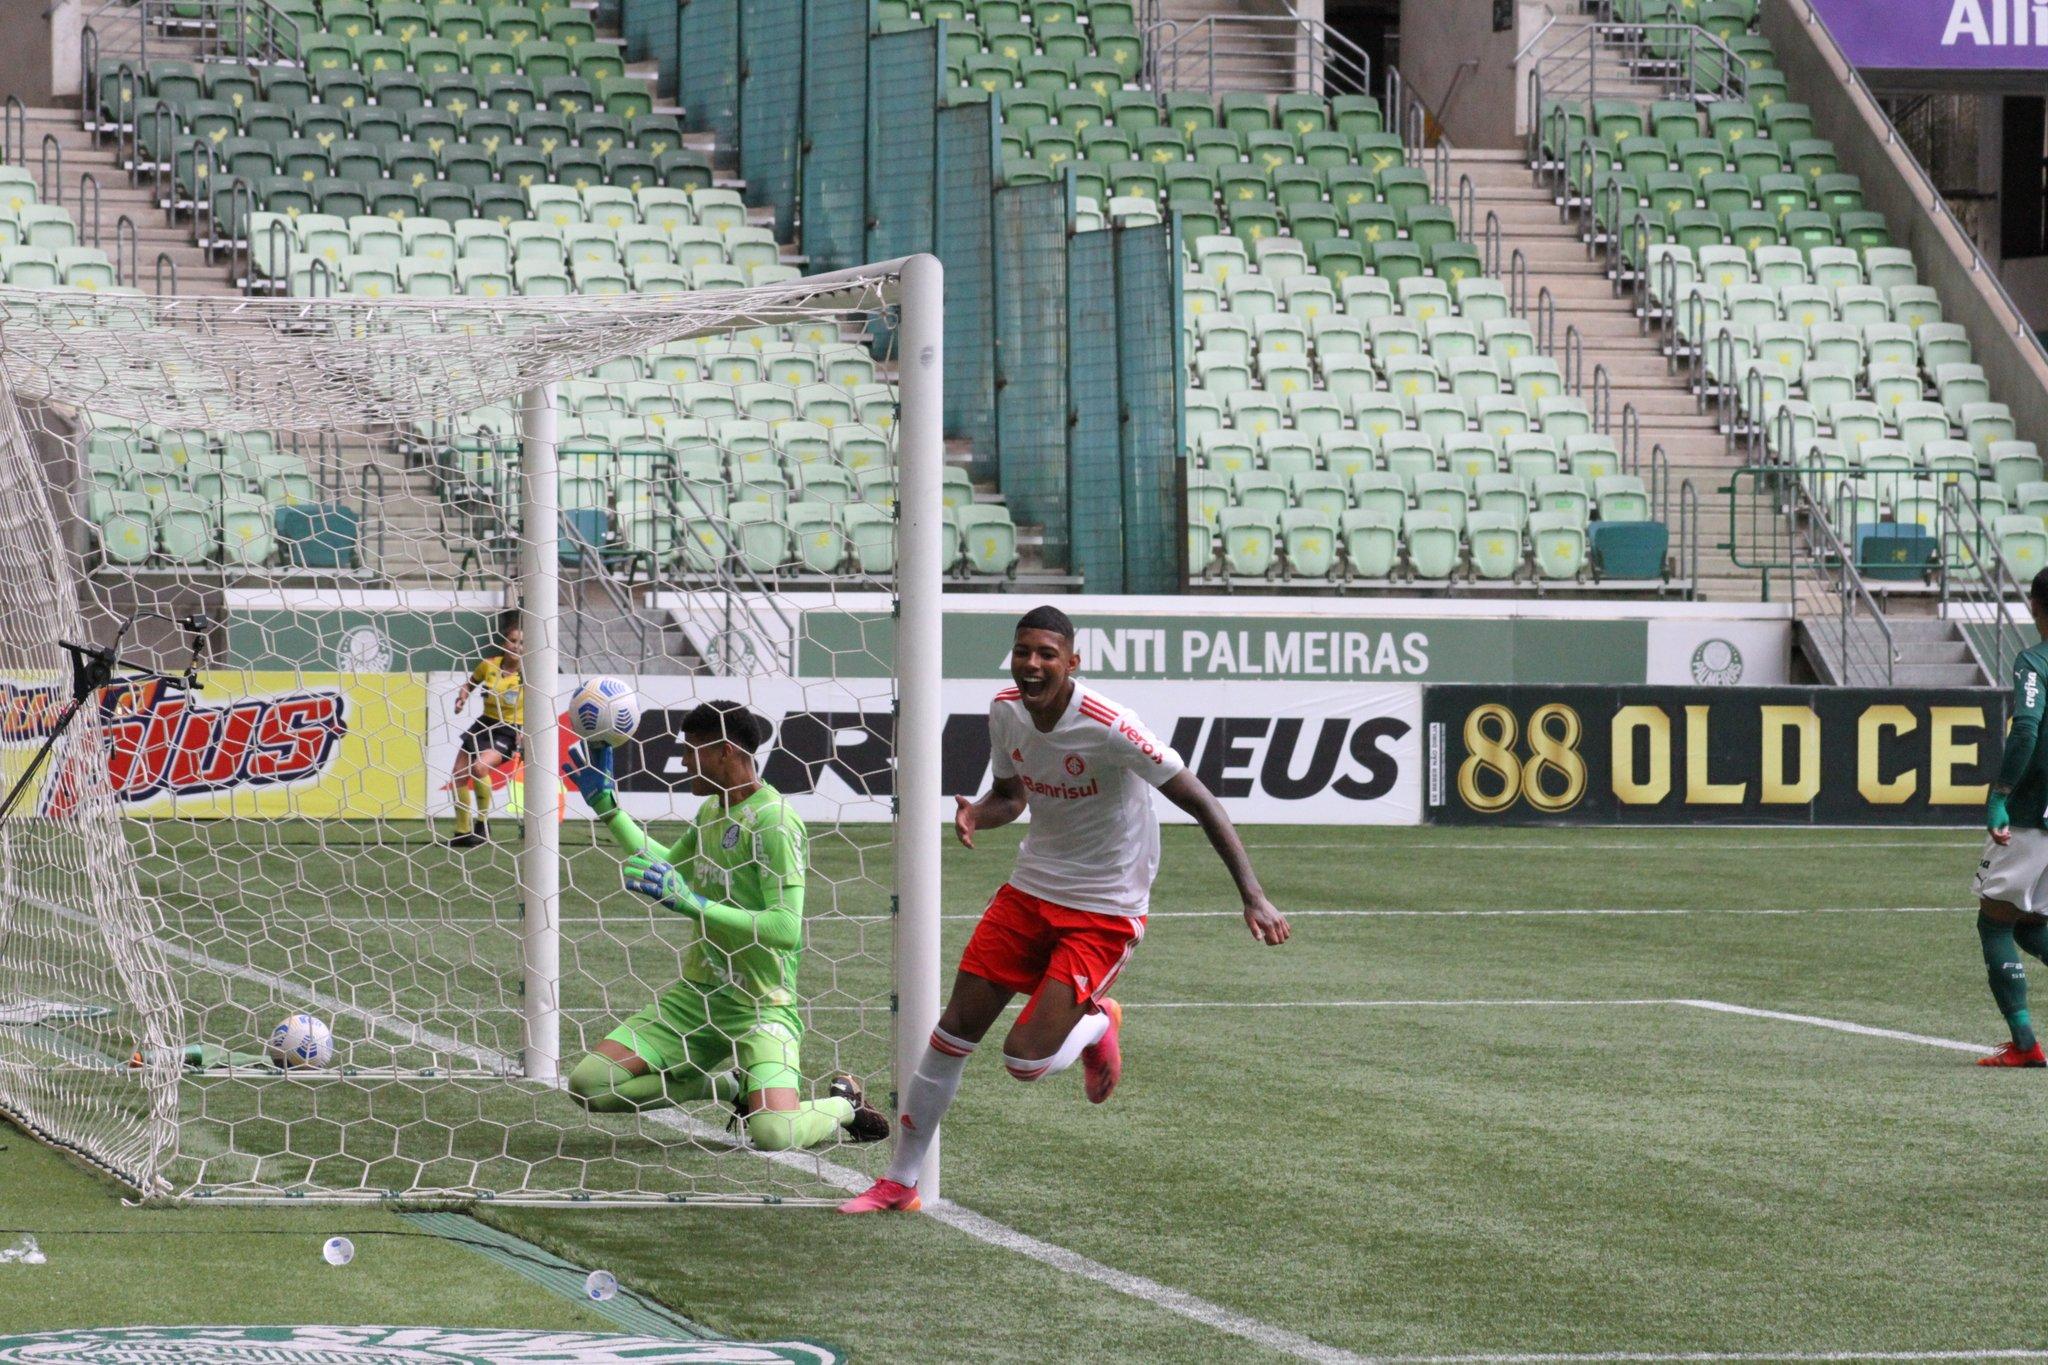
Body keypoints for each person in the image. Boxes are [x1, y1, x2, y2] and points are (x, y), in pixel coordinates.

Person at [839, 605, 1291, 1214]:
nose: (1032, 664)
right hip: (1030, 891)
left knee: (1023, 1062)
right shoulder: (1004, 710)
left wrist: (1253, 894)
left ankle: (1100, 1022)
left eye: (1046, 654)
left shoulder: (1112, 726)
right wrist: (977, 813)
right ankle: (899, 1181)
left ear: (1071, 662)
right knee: (950, 1035)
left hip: (1105, 907)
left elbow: (1201, 800)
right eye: (1023, 651)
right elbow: (1010, 796)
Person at [561, 699, 890, 1150]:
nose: (681, 761)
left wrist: (694, 903)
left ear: (725, 751)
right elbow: (665, 866)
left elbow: (785, 928)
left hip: (761, 1006)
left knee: (774, 1134)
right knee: (592, 1085)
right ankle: (726, 1088)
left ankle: (846, 1104)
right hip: (697, 998)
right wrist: (608, 809)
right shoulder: (711, 813)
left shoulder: (775, 821)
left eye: (691, 749)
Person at [1975, 566, 2048, 1067]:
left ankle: (2024, 1045)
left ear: (2034, 607)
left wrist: (2000, 794)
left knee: (1996, 923)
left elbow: (2025, 729)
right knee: (2029, 923)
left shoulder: (2035, 660)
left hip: (2032, 813)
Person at [447, 612, 524, 849]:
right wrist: (462, 698)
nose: (516, 646)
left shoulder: (528, 676)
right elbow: (470, 683)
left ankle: (482, 824)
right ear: (504, 643)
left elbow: (538, 705)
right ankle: (462, 832)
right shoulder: (489, 665)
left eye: (522, 643)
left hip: (509, 730)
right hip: (484, 723)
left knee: (480, 767)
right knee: (458, 773)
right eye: (513, 640)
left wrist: (524, 736)